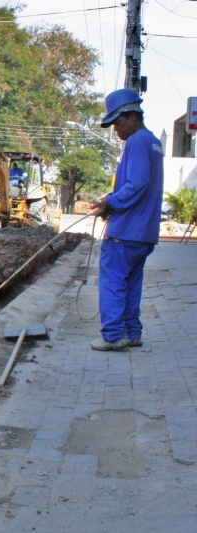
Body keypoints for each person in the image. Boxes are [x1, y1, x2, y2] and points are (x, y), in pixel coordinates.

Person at [89, 88, 164, 351]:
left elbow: (137, 184)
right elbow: (140, 186)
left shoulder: (136, 142)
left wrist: (111, 202)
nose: (116, 130)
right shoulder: (153, 141)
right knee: (131, 283)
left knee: (112, 282)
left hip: (126, 231)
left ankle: (113, 336)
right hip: (144, 232)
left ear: (133, 117)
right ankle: (132, 333)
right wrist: (111, 200)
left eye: (118, 123)